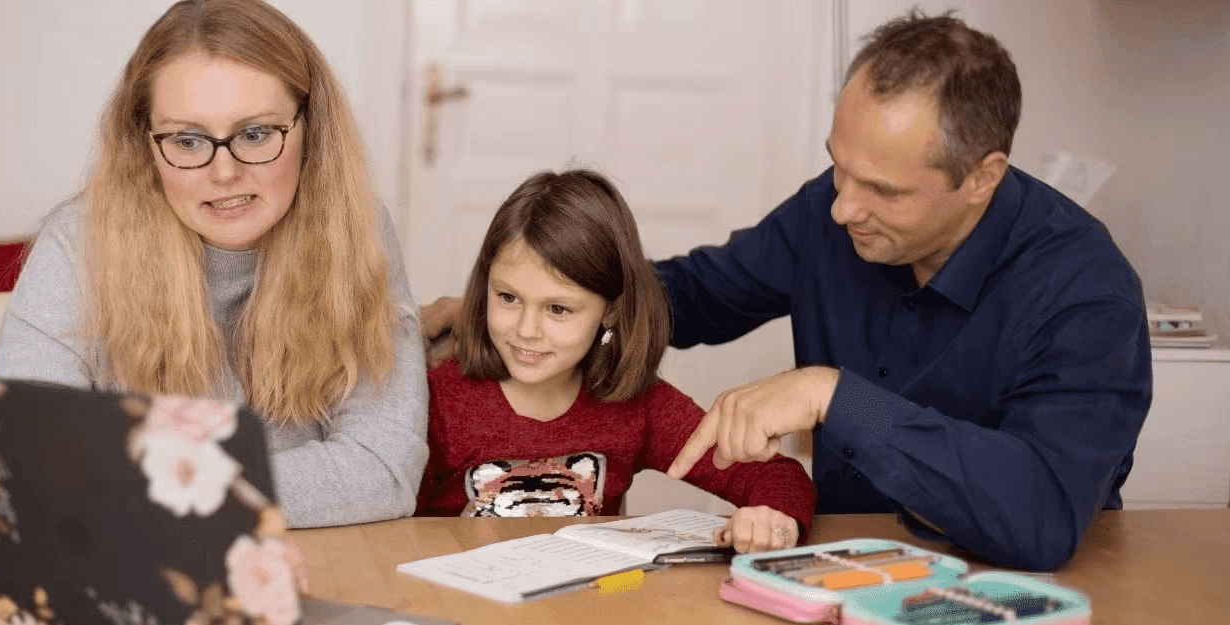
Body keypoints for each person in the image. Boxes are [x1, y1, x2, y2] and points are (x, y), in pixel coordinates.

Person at [423, 11, 1152, 570]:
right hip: (831, 567)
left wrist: (838, 396)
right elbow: (694, 294)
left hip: (1005, 585)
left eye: (883, 190)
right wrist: (555, 299)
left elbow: (1043, 517)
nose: (841, 208)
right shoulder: (832, 214)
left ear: (982, 178)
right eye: (839, 167)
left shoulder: (1086, 293)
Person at [0, 0, 428, 528]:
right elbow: (20, 457)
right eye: (188, 140)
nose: (225, 172)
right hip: (137, 570)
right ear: (144, 143)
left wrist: (135, 483)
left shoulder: (358, 227)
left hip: (319, 558)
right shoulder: (78, 243)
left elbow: (383, 469)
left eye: (255, 134)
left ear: (310, 128)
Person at [417, 169, 816, 552]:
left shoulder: (637, 405)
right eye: (508, 298)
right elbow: (389, 527)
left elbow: (777, 474)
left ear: (610, 311)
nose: (526, 330)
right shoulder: (439, 403)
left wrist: (770, 516)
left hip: (587, 614)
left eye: (558, 309)